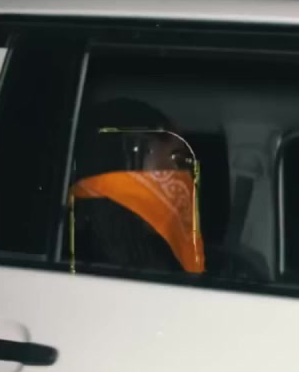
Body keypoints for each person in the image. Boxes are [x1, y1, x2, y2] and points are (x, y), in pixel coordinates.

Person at [69, 98, 206, 274]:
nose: (184, 177)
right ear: (129, 157)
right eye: (177, 159)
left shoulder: (150, 250)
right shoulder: (86, 259)